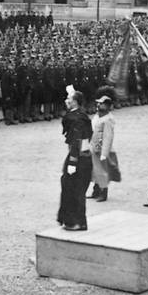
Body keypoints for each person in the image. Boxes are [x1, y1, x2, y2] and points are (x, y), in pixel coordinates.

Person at [56, 88, 92, 231]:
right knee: (70, 187)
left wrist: (72, 161)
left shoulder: (77, 119)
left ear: (75, 102)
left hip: (79, 158)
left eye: (69, 98)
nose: (66, 100)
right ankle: (70, 220)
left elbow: (77, 140)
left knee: (75, 190)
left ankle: (77, 221)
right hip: (79, 156)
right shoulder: (77, 115)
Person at [88, 93, 115, 202]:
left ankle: (103, 193)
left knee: (102, 171)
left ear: (108, 106)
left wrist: (104, 153)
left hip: (101, 147)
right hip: (94, 146)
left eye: (102, 104)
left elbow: (108, 137)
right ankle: (96, 190)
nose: (98, 105)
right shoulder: (98, 116)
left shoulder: (108, 119)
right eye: (98, 103)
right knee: (95, 170)